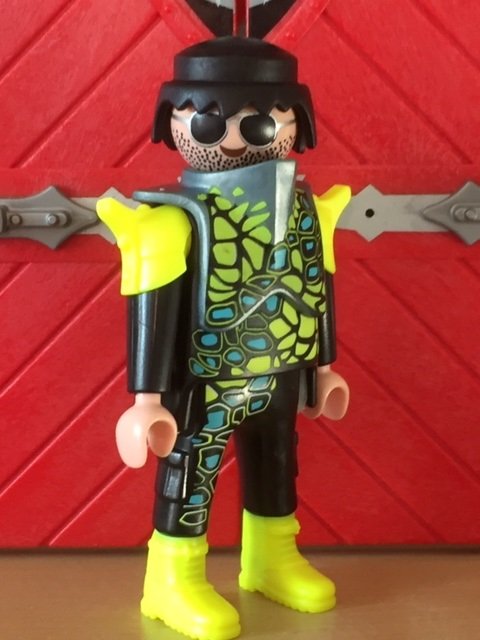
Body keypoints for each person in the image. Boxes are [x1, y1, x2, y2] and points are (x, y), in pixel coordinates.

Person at [98, 35, 350, 640]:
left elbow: (316, 285)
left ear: (295, 123)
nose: (233, 138)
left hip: (281, 367)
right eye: (209, 123)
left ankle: (272, 558)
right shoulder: (170, 222)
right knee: (193, 469)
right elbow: (154, 308)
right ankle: (172, 578)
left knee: (277, 461)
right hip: (204, 377)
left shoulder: (308, 213)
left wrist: (323, 368)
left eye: (258, 124)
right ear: (174, 121)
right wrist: (146, 400)